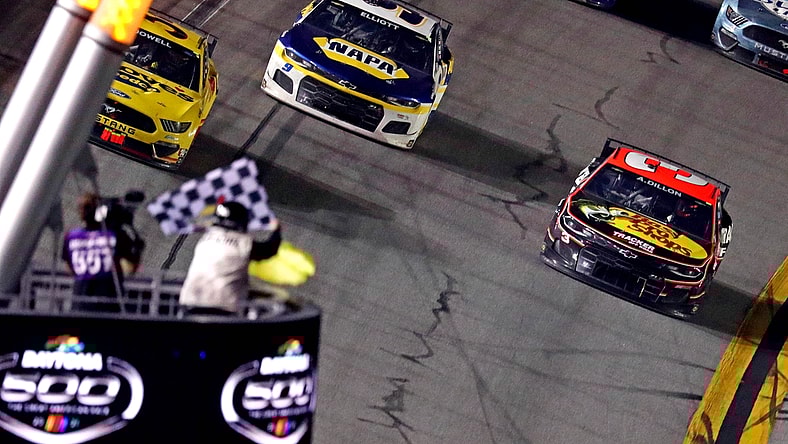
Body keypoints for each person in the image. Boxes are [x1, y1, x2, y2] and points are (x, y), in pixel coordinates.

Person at [179, 201, 282, 316]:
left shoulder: (206, 238)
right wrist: (276, 230)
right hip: (223, 307)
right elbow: (269, 250)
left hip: (190, 302)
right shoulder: (244, 242)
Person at [62, 193, 143, 312]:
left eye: (86, 207)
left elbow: (70, 268)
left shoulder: (72, 236)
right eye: (81, 207)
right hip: (96, 304)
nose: (83, 211)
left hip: (92, 303)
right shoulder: (113, 235)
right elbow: (132, 267)